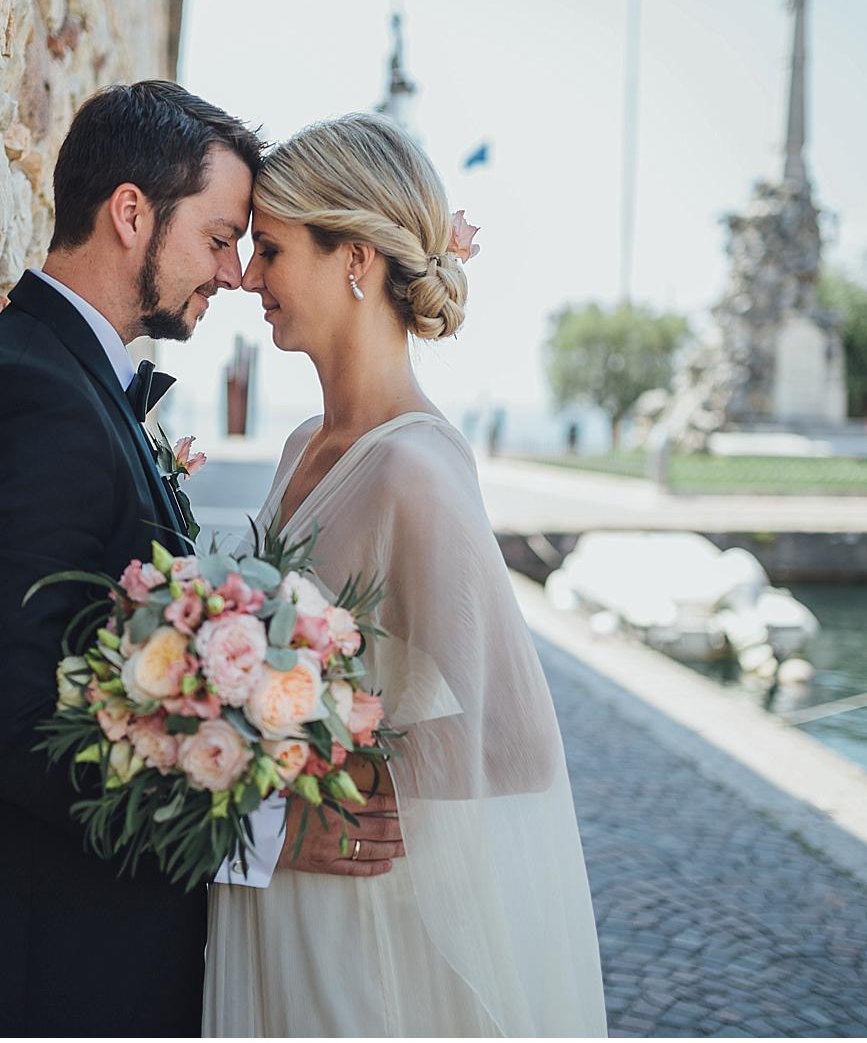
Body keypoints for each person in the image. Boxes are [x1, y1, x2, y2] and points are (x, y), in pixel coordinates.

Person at [0, 82, 402, 1036]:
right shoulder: (28, 394)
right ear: (131, 212)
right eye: (220, 236)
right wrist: (267, 825)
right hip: (59, 972)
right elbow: (9, 724)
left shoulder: (78, 383)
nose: (233, 271)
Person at [206, 113, 607, 1036]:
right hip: (274, 887)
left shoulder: (412, 473)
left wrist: (327, 785)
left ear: (355, 259)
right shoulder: (305, 443)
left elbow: (513, 739)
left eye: (271, 250)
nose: (249, 277)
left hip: (350, 917)